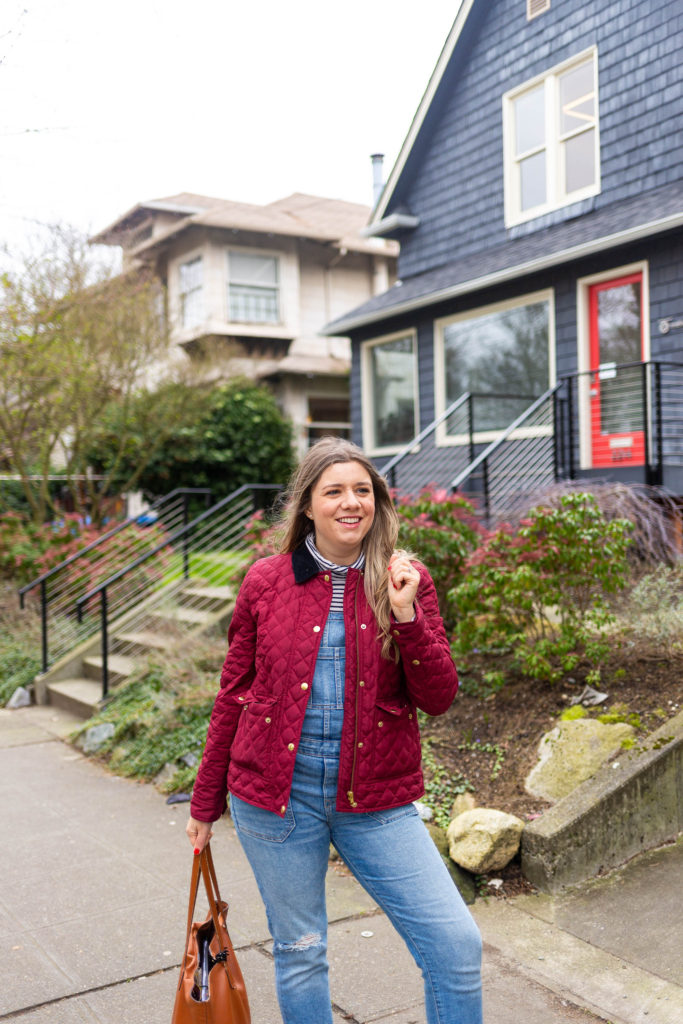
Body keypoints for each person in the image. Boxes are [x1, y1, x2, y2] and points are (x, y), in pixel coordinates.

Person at [186, 437, 482, 1024]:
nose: (352, 503)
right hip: (274, 797)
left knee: (456, 947)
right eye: (335, 491)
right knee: (301, 953)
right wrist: (204, 801)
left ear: (377, 502)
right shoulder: (266, 582)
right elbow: (234, 693)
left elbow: (439, 696)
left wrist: (406, 616)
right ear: (307, 507)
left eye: (363, 490)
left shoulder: (406, 578)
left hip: (376, 798)